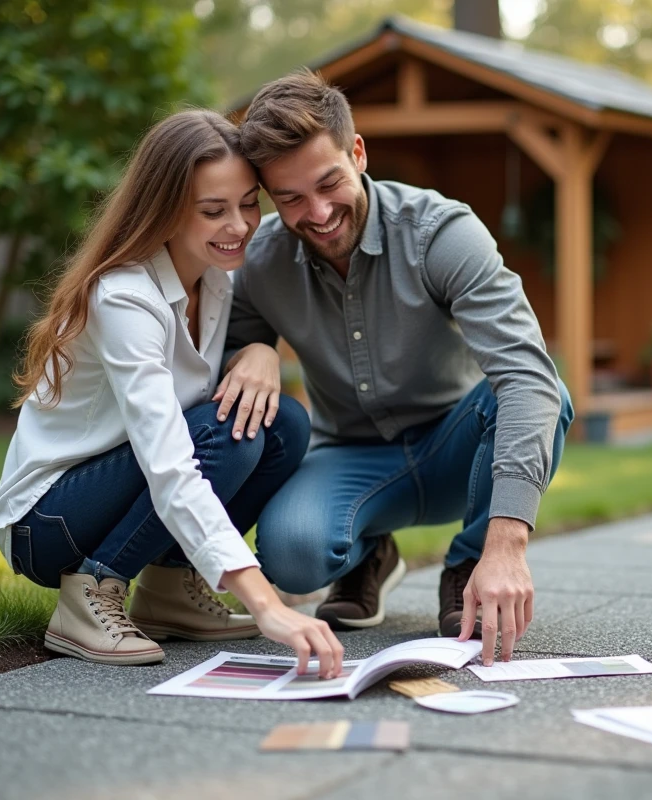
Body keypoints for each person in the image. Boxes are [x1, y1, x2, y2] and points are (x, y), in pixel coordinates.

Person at [219, 70, 574, 667]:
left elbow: (527, 377)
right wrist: (250, 349)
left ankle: (467, 561)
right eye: (291, 198)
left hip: (457, 451)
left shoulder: (440, 233)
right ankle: (369, 556)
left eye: (329, 182)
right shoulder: (260, 260)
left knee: (548, 392)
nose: (319, 211)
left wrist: (506, 543)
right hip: (351, 456)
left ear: (358, 152)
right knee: (291, 555)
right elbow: (223, 358)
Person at [0, 109, 344, 676]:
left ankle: (172, 591)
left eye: (249, 203)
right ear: (166, 209)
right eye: (213, 211)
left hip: (122, 490)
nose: (240, 225)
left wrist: (259, 351)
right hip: (48, 521)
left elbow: (209, 384)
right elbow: (171, 462)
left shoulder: (218, 276)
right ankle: (92, 594)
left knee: (283, 427)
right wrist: (266, 603)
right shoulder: (126, 296)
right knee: (225, 430)